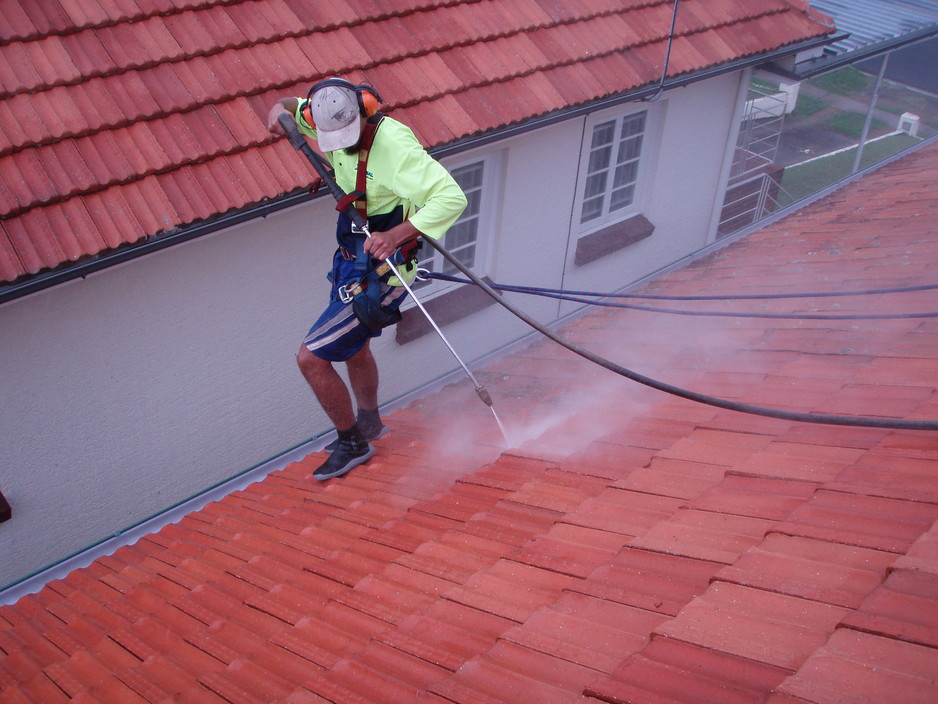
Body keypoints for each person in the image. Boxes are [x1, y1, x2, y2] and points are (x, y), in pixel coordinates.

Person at [267, 77, 467, 481]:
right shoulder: (320, 113)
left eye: (346, 136)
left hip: (385, 273)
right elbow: (286, 107)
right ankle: (370, 423)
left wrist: (396, 235)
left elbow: (451, 197)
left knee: (312, 359)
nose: (338, 143)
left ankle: (354, 442)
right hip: (350, 262)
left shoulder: (394, 148)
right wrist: (278, 113)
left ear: (365, 111)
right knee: (355, 347)